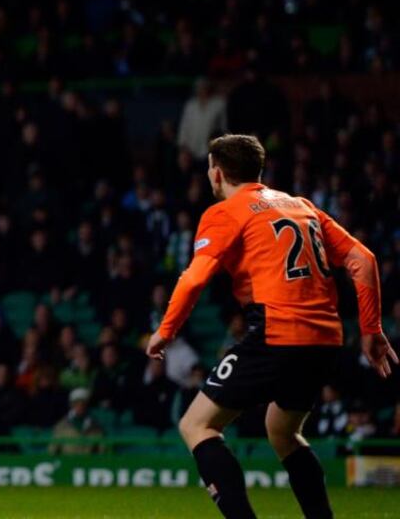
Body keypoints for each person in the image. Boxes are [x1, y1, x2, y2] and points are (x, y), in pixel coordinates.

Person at [147, 134, 397, 519]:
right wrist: (371, 328)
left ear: (217, 173)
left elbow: (195, 279)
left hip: (277, 330)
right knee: (282, 432)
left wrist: (166, 330)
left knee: (196, 425)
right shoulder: (301, 206)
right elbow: (363, 260)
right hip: (325, 338)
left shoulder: (226, 211)